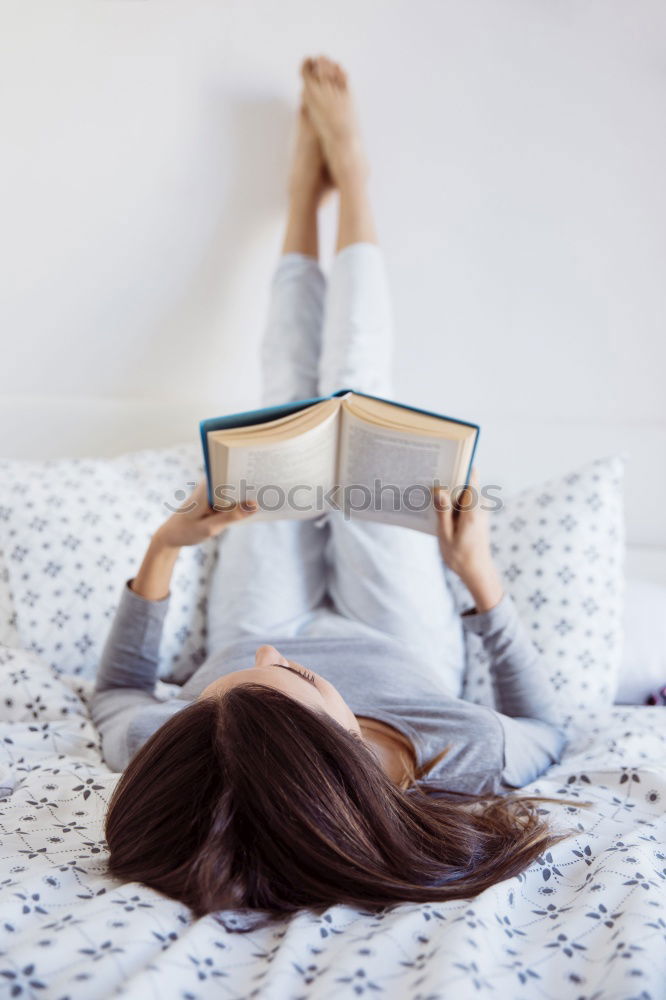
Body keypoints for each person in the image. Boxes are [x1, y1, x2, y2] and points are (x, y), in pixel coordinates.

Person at [93, 56, 570, 922]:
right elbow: (547, 728)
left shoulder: (190, 748)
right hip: (403, 635)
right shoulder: (449, 753)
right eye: (296, 681)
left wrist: (164, 548)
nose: (270, 655)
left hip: (248, 603)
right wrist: (477, 575)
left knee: (285, 398)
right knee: (352, 388)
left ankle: (299, 199)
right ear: (340, 746)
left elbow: (120, 698)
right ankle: (353, 181)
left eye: (229, 688)